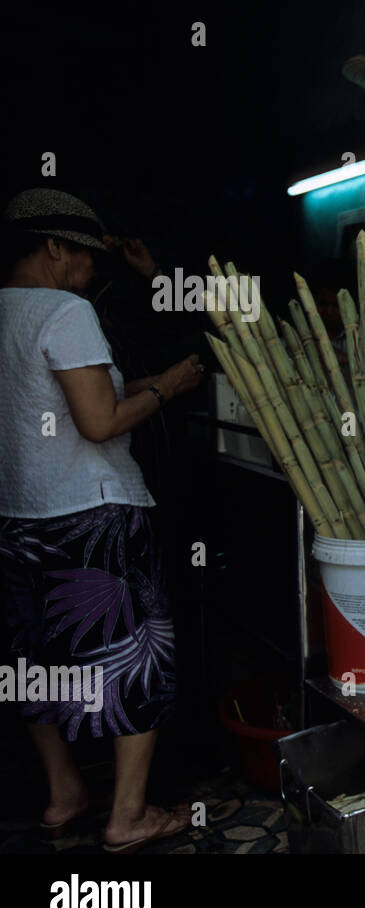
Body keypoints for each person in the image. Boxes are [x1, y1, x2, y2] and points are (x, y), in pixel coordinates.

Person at [0, 188, 204, 852]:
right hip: (94, 512)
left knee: (35, 658)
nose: (93, 271)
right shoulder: (65, 309)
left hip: (19, 516)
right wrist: (168, 387)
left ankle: (64, 793)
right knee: (135, 657)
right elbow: (98, 422)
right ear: (56, 248)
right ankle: (128, 814)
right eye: (87, 256)